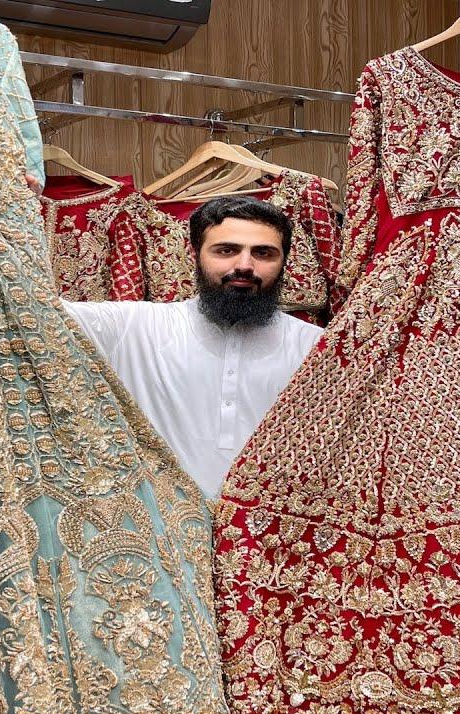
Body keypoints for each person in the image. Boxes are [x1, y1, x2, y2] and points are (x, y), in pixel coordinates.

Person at [62, 196, 325, 498]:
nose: (244, 265)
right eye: (226, 250)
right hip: (162, 522)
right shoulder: (134, 327)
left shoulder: (317, 348)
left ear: (284, 262)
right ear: (194, 254)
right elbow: (33, 309)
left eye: (263, 253)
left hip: (268, 524)